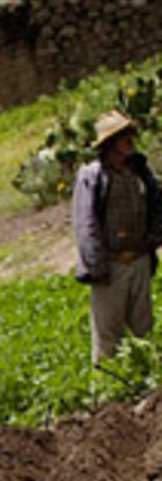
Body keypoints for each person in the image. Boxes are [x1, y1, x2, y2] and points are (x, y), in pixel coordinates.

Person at [71, 109, 162, 363]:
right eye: (123, 136)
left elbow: (156, 205)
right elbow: (85, 224)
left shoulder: (139, 172)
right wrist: (97, 266)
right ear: (110, 143)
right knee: (108, 336)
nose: (129, 139)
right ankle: (108, 393)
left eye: (129, 134)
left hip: (140, 261)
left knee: (144, 329)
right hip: (109, 266)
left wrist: (153, 240)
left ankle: (147, 384)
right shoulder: (93, 176)